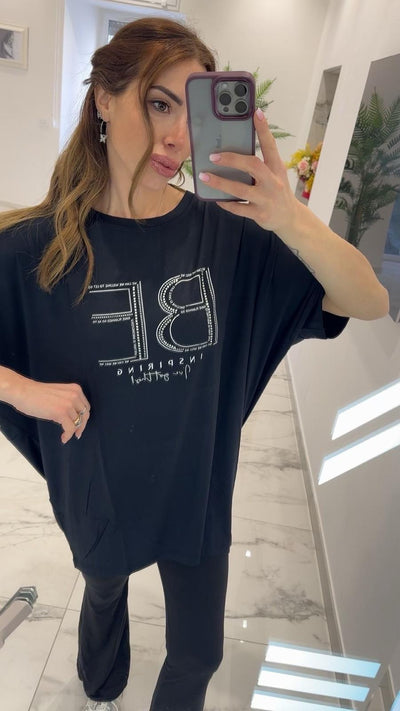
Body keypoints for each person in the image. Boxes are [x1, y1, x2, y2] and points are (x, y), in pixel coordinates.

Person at [0, 17, 389, 711]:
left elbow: (369, 298)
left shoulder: (229, 238)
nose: (178, 136)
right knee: (105, 589)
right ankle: (101, 683)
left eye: (193, 110)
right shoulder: (35, 248)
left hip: (195, 491)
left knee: (200, 652)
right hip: (98, 493)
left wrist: (288, 216)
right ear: (104, 99)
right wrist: (23, 390)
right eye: (159, 103)